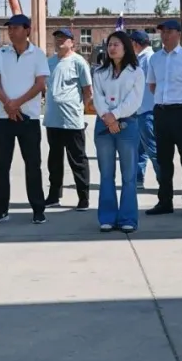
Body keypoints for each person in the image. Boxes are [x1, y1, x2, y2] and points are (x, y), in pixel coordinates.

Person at [0, 14, 50, 224]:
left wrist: (17, 104)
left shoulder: (37, 54)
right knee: (2, 166)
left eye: (15, 28)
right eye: (10, 28)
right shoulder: (1, 53)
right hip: (3, 117)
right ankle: (0, 210)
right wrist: (8, 103)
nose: (11, 32)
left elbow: (40, 84)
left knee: (33, 165)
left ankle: (38, 209)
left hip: (28, 118)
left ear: (27, 30)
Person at [147, 18, 182, 218]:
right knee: (163, 160)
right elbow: (152, 85)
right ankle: (165, 201)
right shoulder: (155, 59)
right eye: (162, 32)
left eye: (169, 31)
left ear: (179, 34)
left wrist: (180, 100)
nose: (165, 35)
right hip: (161, 112)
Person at [92, 30, 146, 233]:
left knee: (129, 175)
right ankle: (107, 217)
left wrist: (115, 115)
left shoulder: (136, 72)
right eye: (110, 45)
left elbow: (134, 100)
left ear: (126, 47)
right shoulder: (100, 72)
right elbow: (98, 98)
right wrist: (108, 117)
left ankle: (127, 218)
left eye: (116, 44)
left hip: (127, 124)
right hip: (103, 125)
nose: (112, 48)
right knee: (106, 173)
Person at [44, 28, 93, 210]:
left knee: (77, 160)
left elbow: (87, 90)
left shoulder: (78, 62)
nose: (59, 41)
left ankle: (83, 197)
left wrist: (81, 110)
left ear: (72, 42)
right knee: (54, 160)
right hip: (53, 119)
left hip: (72, 120)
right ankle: (54, 195)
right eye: (57, 38)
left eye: (63, 38)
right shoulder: (49, 62)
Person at [130, 30, 159, 188]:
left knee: (152, 149)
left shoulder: (148, 59)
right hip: (140, 110)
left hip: (148, 110)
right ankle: (138, 179)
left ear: (135, 44)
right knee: (139, 148)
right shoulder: (140, 58)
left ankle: (164, 180)